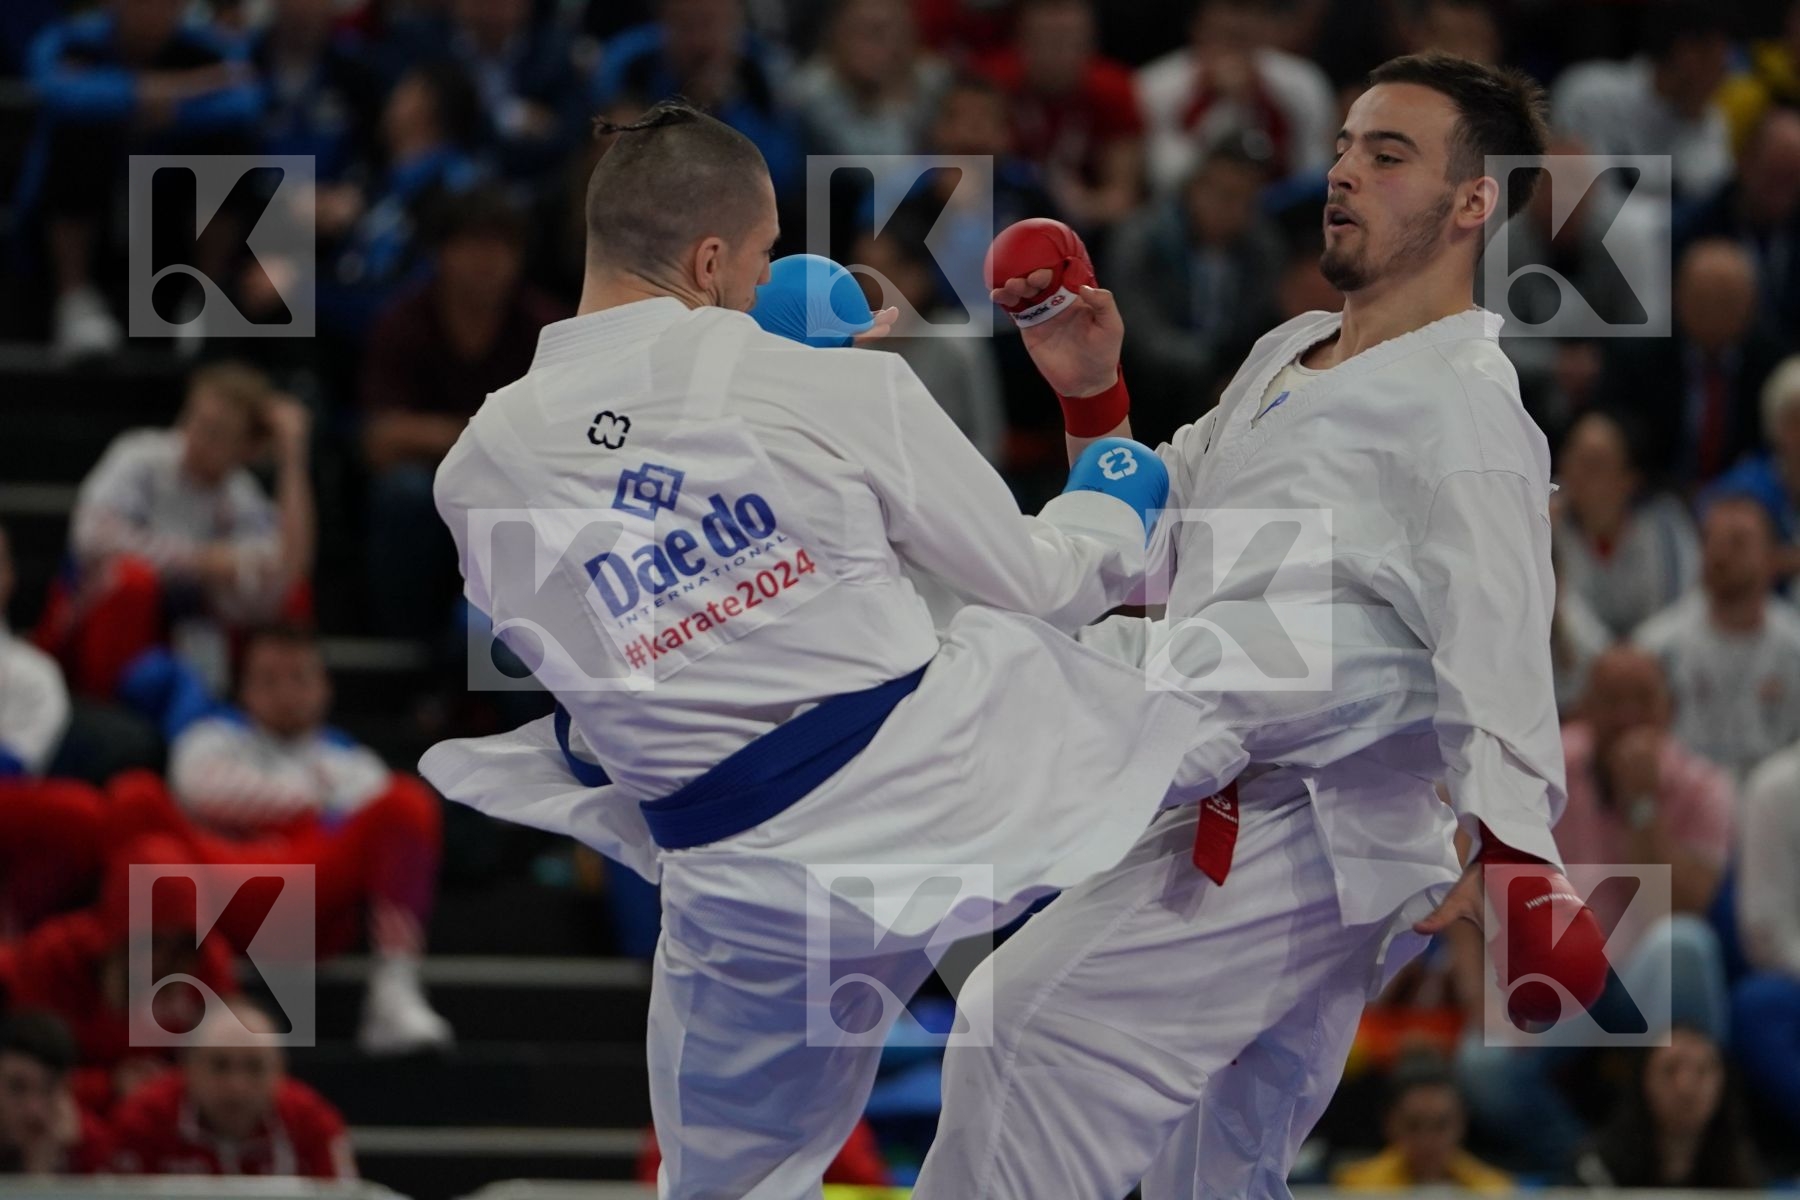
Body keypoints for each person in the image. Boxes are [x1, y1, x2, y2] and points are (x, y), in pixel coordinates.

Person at [421, 98, 1386, 1199]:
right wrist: (1109, 471)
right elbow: (1044, 584)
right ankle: (1431, 781)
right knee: (1235, 670)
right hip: (942, 785)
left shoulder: (473, 470)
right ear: (710, 260)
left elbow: (596, 652)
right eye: (765, 253)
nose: (770, 280)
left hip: (738, 890)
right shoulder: (830, 382)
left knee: (719, 1185)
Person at [917, 51, 1597, 1199]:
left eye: (1389, 155)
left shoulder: (1467, 411)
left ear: (1471, 202)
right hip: (1241, 789)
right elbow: (1163, 537)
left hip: (1313, 816)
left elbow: (1498, 631)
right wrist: (1093, 394)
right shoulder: (1290, 351)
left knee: (1024, 1030)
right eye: (1343, 146)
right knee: (1216, 1163)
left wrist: (1521, 857)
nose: (1343, 173)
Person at [112, 625, 451, 1055]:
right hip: (220, 894)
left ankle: (394, 992)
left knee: (408, 802)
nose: (286, 693)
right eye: (269, 680)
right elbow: (201, 790)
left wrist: (294, 815)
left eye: (299, 678)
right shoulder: (209, 739)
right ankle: (151, 1000)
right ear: (245, 690)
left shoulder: (356, 763)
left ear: (325, 688)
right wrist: (322, 807)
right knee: (135, 798)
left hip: (309, 899)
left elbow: (381, 823)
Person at [36, 363, 314, 699]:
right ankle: (105, 700)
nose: (195, 438)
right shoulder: (141, 456)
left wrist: (292, 458)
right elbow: (89, 536)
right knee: (133, 580)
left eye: (216, 433)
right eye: (193, 419)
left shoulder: (241, 495)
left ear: (247, 449)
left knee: (291, 598)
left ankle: (220, 699)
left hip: (186, 636)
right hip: (103, 632)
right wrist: (198, 561)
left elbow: (288, 570)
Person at [1635, 495, 1800, 782]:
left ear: (1772, 557)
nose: (1721, 554)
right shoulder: (1656, 646)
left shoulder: (1795, 645)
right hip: (1683, 795)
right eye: (1711, 540)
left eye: (1738, 542)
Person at [111, 1000, 355, 1178]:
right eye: (220, 1066)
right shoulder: (144, 1120)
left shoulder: (312, 1121)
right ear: (188, 1067)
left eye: (255, 1067)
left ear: (279, 1071)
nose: (237, 1086)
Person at [1136, 0, 1337, 191]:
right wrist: (1214, 102)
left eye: (1243, 38)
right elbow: (1164, 178)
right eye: (1225, 35)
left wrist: (1255, 98)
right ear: (1198, 27)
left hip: (1280, 205)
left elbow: (1314, 171)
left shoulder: (1304, 82)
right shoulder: (1157, 85)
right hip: (1185, 207)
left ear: (1263, 27)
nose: (1233, 52)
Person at [1553, 411, 1699, 639]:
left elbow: (1686, 601)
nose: (1576, 474)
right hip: (1576, 657)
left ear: (1629, 479)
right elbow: (1556, 601)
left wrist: (1640, 651)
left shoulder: (1665, 523)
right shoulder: (1547, 520)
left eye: (1593, 465)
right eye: (1572, 459)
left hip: (1656, 655)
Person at [1572, 1026, 1762, 1188]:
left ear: (1723, 1084)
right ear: (1642, 1081)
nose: (1686, 1087)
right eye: (1670, 1070)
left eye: (1702, 1071)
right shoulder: (1596, 1167)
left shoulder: (1742, 1169)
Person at [1331, 1051, 1510, 1191]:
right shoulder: (1352, 1188)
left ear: (1461, 1123)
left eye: (1441, 1125)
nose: (1427, 1140)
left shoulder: (1498, 1190)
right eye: (1413, 1126)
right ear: (1389, 1124)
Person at [0, 1011, 112, 1176]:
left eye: (49, 1089)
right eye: (17, 1087)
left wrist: (46, 1161)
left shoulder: (88, 1144)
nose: (33, 1109)